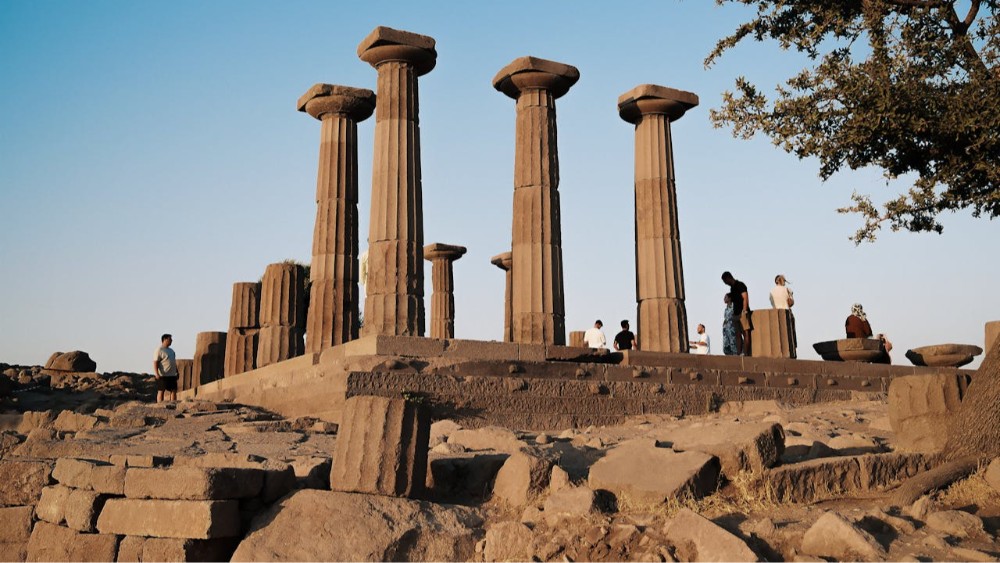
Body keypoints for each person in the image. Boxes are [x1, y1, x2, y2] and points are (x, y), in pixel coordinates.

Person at [722, 271, 752, 356]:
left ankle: (745, 353)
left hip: (742, 312)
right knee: (737, 335)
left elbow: (745, 298)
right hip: (735, 314)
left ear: (728, 278)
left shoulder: (740, 285)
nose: (725, 283)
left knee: (745, 333)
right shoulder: (732, 288)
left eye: (725, 281)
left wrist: (745, 311)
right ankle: (739, 353)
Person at [153, 333, 178, 402]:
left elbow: (173, 362)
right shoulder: (159, 350)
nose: (171, 341)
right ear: (165, 339)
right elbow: (155, 362)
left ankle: (173, 405)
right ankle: (160, 406)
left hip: (172, 374)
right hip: (163, 375)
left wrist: (177, 371)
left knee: (173, 390)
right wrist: (156, 373)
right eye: (170, 339)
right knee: (161, 390)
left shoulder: (171, 351)